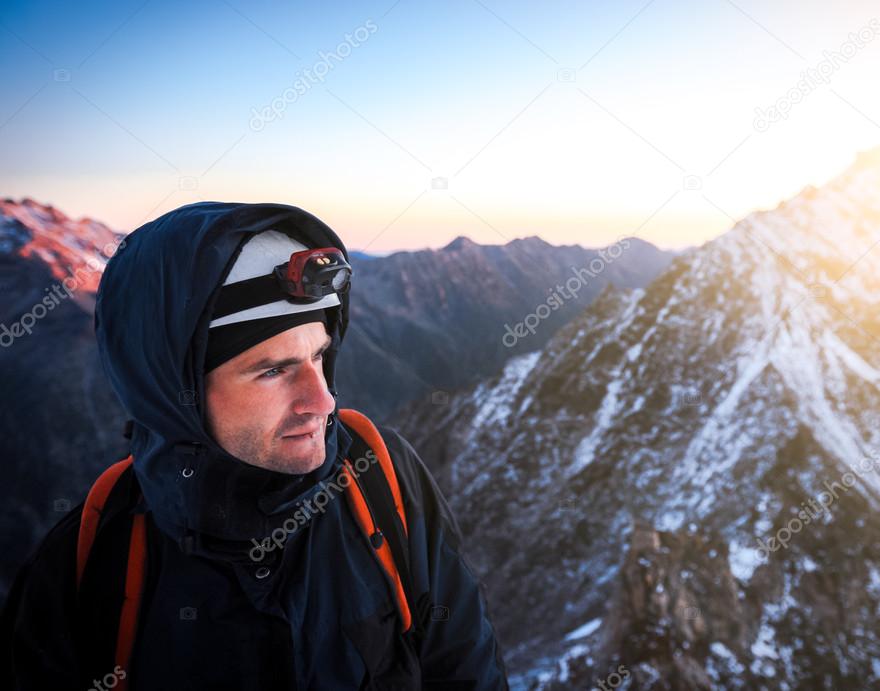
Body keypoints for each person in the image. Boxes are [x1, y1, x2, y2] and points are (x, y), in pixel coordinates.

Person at [0, 201, 509, 690]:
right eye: (272, 370)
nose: (323, 400)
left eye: (319, 356)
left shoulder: (379, 475)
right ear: (177, 397)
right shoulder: (86, 567)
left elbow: (462, 668)